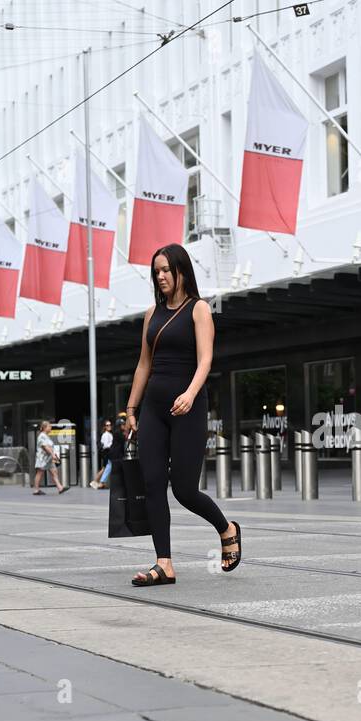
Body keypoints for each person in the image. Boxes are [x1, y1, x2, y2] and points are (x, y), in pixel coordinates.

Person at [124, 243, 240, 585]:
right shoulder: (151, 314)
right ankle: (164, 563)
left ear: (181, 272)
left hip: (187, 407)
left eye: (165, 271)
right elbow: (144, 364)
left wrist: (190, 394)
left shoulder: (198, 309)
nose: (160, 277)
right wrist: (131, 407)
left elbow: (206, 359)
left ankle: (227, 528)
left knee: (185, 489)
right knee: (153, 483)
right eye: (155, 271)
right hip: (154, 409)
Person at [90, 414, 128, 489]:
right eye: (107, 425)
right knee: (106, 468)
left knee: (107, 467)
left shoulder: (113, 433)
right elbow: (106, 445)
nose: (109, 426)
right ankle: (98, 482)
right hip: (109, 453)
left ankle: (99, 482)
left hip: (111, 453)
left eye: (110, 425)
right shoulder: (110, 434)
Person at [32, 421, 67, 495]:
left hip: (49, 458)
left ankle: (60, 488)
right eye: (49, 426)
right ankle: (36, 490)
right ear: (45, 428)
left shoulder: (46, 435)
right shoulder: (42, 436)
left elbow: (49, 446)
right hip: (42, 458)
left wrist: (53, 455)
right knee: (40, 473)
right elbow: (45, 447)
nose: (51, 428)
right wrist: (52, 454)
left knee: (54, 472)